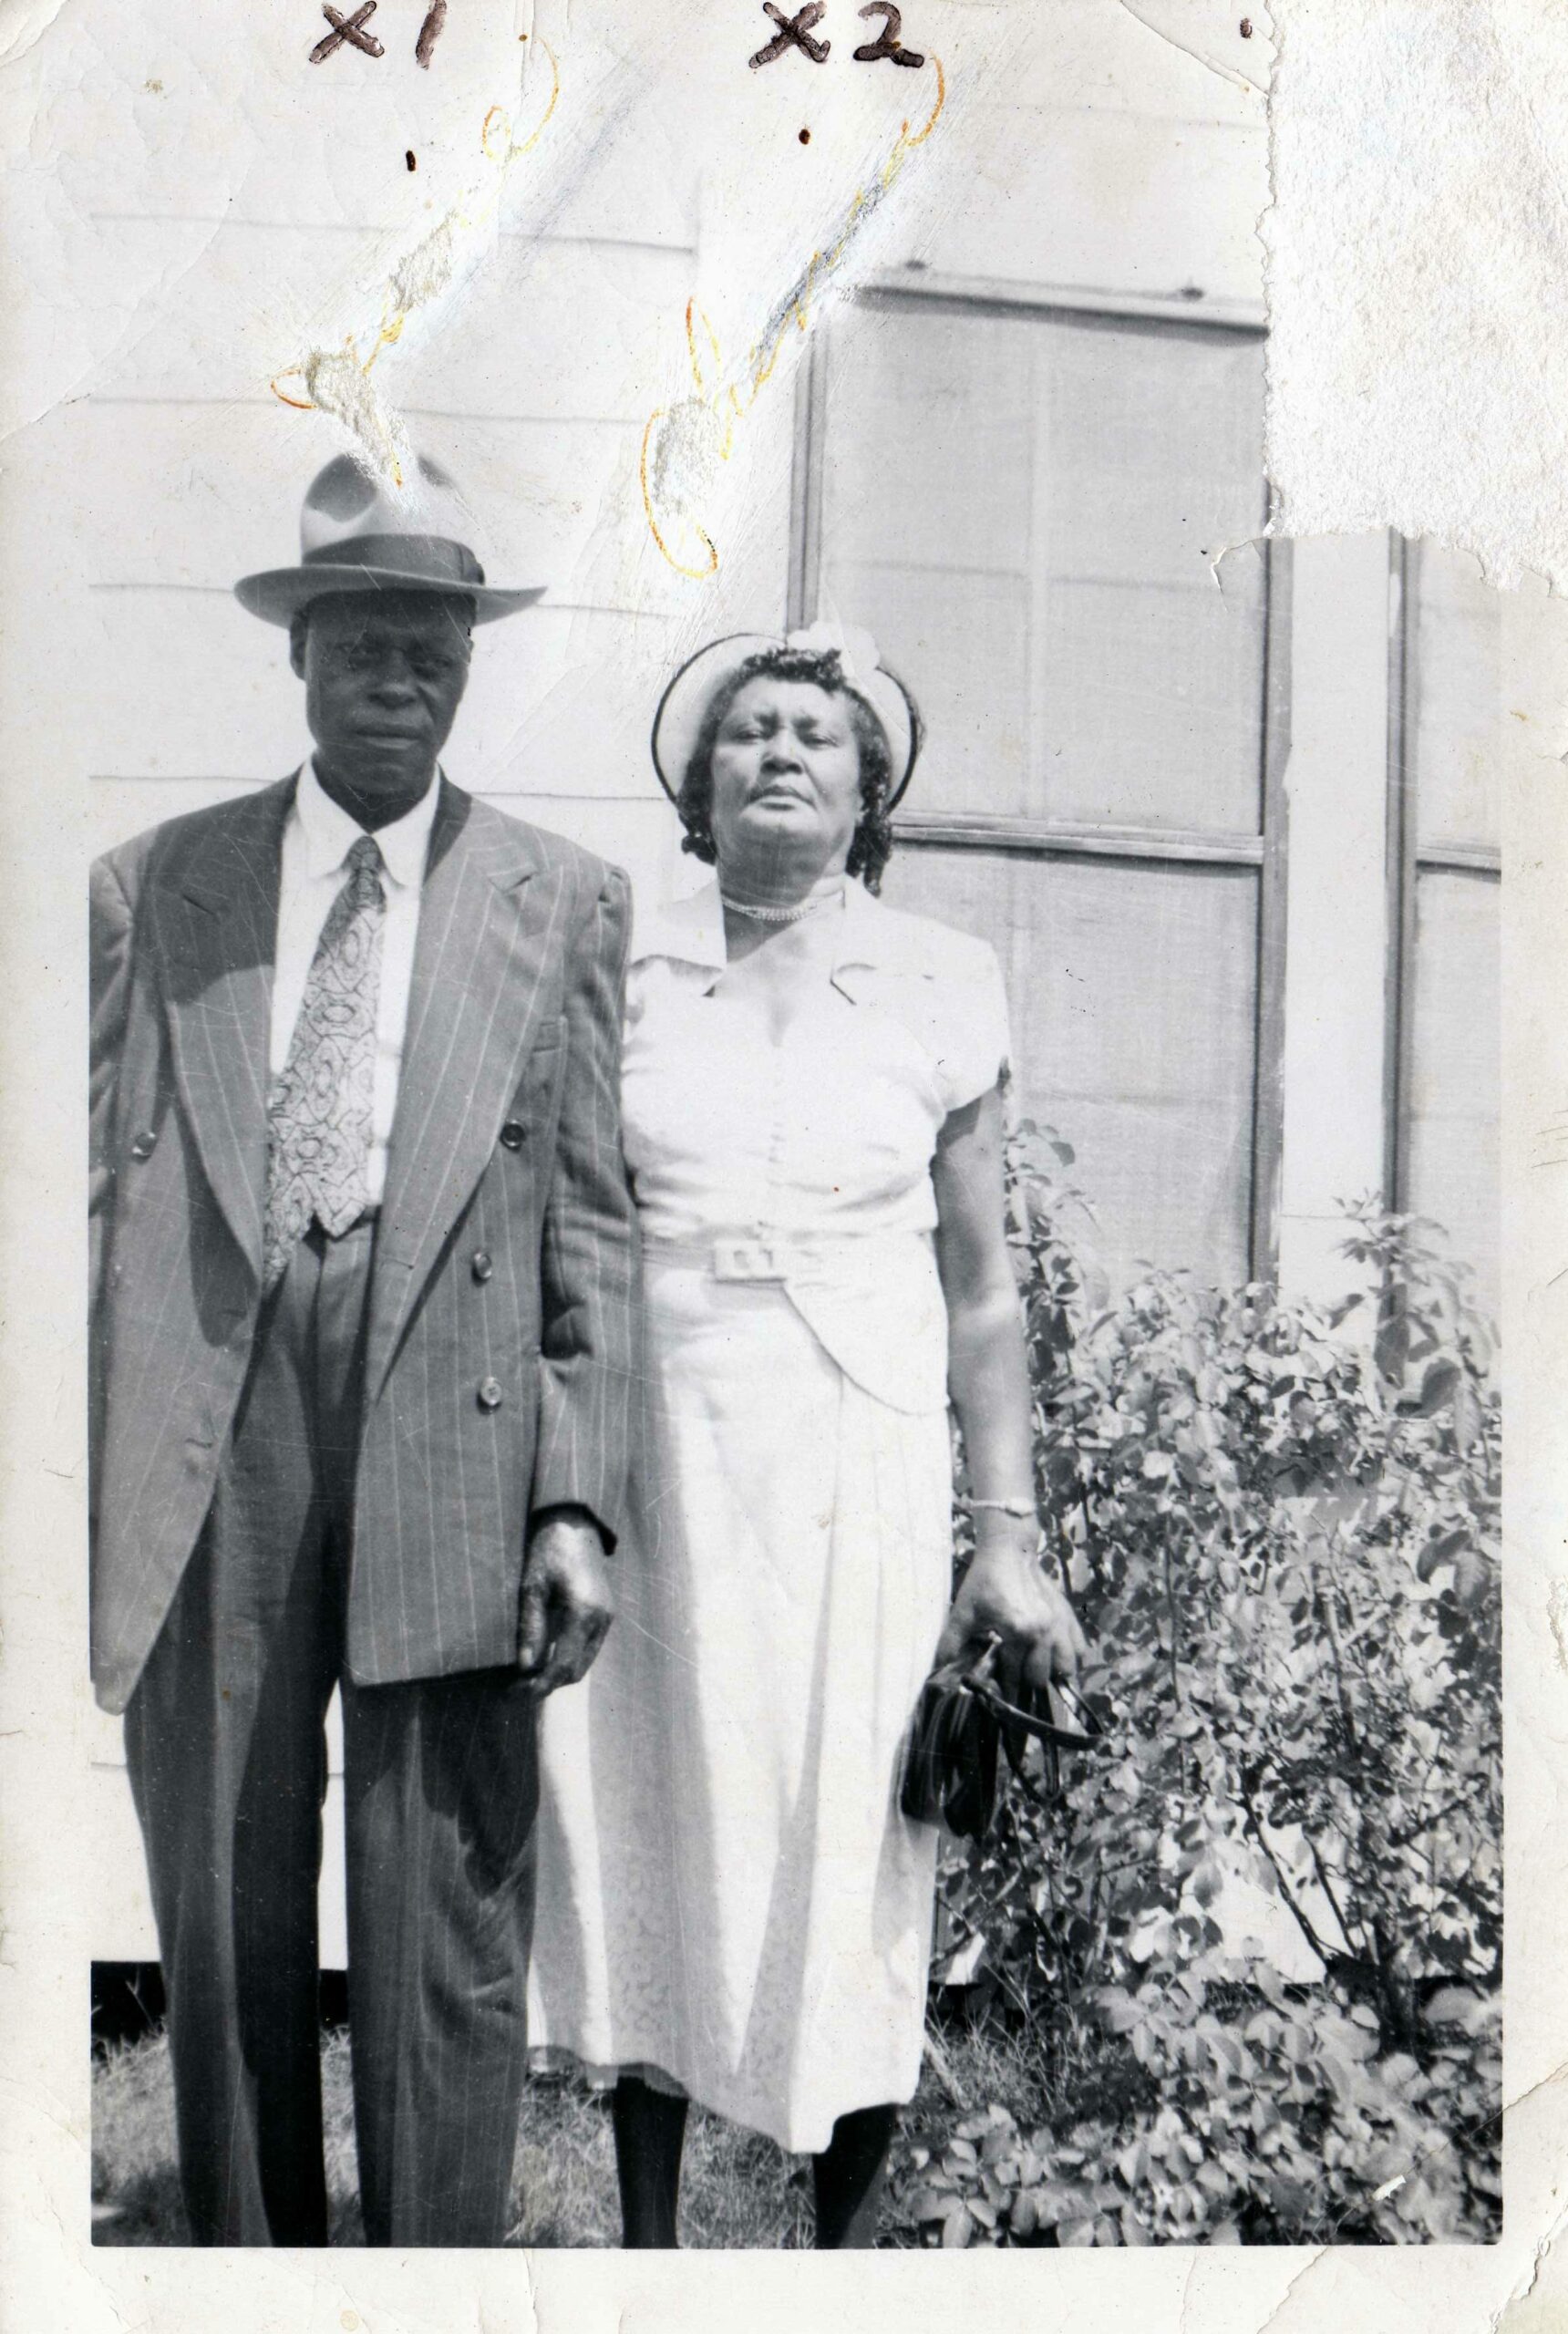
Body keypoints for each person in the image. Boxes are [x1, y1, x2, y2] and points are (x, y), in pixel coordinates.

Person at [88, 453, 638, 2247]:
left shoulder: (560, 896)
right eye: (362, 648)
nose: (398, 680)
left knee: (441, 1906)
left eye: (432, 651)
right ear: (300, 657)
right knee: (226, 1880)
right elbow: (86, 1192)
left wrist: (576, 1500)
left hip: (452, 1404)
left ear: (468, 665)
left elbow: (592, 1217)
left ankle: (431, 2279)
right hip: (219, 1402)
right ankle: (250, 2272)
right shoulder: (156, 885)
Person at [528, 622, 1083, 2247]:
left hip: (859, 1450)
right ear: (698, 785)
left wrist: (1006, 1536)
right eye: (749, 730)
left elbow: (979, 1289)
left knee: (853, 1831)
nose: (780, 751)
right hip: (659, 1439)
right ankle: (647, 2254)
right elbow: (566, 1226)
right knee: (650, 1814)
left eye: (816, 735)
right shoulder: (619, 961)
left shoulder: (940, 977)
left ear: (867, 792)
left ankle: (831, 2265)